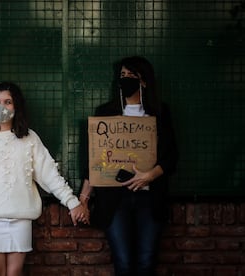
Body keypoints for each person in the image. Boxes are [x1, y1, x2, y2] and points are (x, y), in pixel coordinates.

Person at [0, 81, 89, 276]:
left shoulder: (29, 138)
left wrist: (72, 202)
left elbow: (49, 174)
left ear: (16, 105)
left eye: (8, 101)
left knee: (15, 272)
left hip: (20, 219)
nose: (1, 106)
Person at [79, 56, 178, 276]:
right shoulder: (105, 112)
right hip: (115, 199)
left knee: (146, 261)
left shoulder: (159, 113)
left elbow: (171, 156)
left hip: (149, 198)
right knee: (123, 262)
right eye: (122, 76)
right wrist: (84, 199)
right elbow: (95, 160)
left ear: (144, 81)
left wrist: (149, 176)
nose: (125, 80)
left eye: (131, 76)